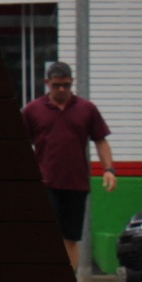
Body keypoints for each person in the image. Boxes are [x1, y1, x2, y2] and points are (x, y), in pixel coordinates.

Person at [23, 61, 116, 271]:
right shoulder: (33, 110)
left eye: (66, 84)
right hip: (46, 181)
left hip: (76, 183)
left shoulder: (86, 109)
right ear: (47, 83)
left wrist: (109, 169)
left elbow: (100, 140)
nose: (62, 89)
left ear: (72, 82)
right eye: (57, 85)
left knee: (70, 238)